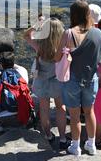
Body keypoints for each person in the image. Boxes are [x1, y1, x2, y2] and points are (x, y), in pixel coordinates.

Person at [55, 0, 101, 156]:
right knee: (90, 112)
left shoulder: (68, 33)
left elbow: (57, 58)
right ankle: (91, 145)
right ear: (87, 14)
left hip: (72, 80)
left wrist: (65, 52)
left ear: (73, 15)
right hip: (92, 79)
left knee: (75, 115)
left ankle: (75, 146)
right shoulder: (98, 33)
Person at [24, 18, 69, 150]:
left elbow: (26, 35)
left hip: (42, 81)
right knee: (61, 109)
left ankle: (49, 136)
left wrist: (37, 25)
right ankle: (62, 138)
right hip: (57, 82)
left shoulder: (39, 46)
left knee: (44, 109)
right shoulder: (62, 48)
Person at [0, 52, 29, 130]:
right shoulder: (23, 71)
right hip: (22, 114)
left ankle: (1, 127)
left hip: (2, 117)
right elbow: (17, 67)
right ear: (13, 62)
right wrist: (9, 62)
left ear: (1, 64)